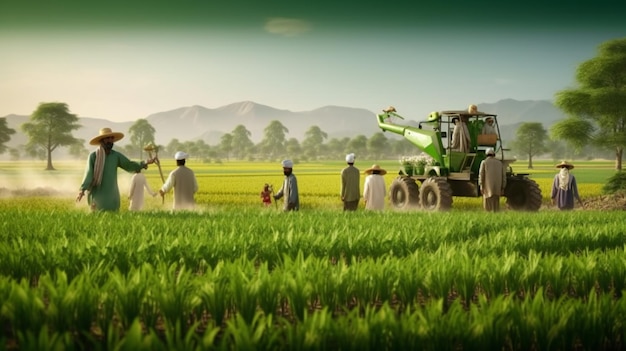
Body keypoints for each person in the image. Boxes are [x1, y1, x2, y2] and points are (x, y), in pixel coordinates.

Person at [76, 127, 155, 212]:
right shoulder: (93, 156)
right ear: (101, 140)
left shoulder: (115, 156)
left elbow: (128, 165)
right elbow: (88, 174)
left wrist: (144, 163)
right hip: (97, 192)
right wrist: (82, 191)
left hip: (112, 193)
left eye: (111, 138)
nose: (110, 140)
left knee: (113, 215)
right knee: (97, 213)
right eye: (107, 138)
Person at [478, 148, 506, 212]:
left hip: (487, 189)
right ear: (494, 154)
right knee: (496, 206)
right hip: (497, 189)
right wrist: (502, 187)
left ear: (486, 155)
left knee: (487, 206)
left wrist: (481, 186)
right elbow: (503, 176)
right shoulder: (500, 163)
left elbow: (481, 175)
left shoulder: (484, 162)